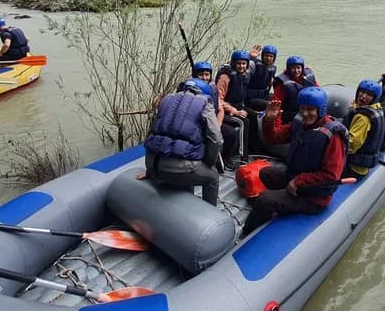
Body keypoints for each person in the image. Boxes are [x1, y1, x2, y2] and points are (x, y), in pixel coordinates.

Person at [240, 87, 347, 238]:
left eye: (310, 110)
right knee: (265, 173)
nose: (305, 113)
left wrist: (298, 182)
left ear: (321, 110)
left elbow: (331, 175)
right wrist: (269, 120)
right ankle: (280, 202)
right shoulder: (300, 123)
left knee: (265, 199)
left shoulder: (332, 136)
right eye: (302, 109)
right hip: (296, 177)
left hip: (313, 196)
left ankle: (246, 232)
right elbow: (274, 138)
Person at [143, 78, 223, 206]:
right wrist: (209, 162)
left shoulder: (167, 99)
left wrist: (149, 170)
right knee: (212, 177)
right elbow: (216, 139)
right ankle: (210, 214)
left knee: (187, 162)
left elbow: (153, 133)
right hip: (179, 168)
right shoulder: (205, 103)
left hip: (153, 165)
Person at [216, 50, 253, 164]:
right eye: (238, 64)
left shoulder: (244, 74)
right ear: (233, 64)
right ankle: (243, 157)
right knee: (243, 122)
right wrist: (234, 111)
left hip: (238, 106)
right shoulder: (225, 77)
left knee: (255, 116)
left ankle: (252, 149)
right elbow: (218, 100)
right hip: (224, 110)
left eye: (244, 64)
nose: (241, 66)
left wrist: (252, 57)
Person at [344, 79, 385, 177]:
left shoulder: (363, 119)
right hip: (360, 163)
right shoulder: (376, 108)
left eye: (369, 95)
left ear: (374, 98)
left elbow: (351, 145)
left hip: (353, 167)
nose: (363, 96)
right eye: (362, 92)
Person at [270, 55, 318, 124]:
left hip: (309, 114)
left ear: (302, 68)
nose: (296, 71)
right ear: (288, 69)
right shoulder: (283, 84)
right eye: (293, 68)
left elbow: (318, 92)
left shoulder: (309, 78)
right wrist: (277, 122)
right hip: (291, 117)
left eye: (298, 68)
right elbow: (276, 106)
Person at [246, 44, 278, 111]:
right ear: (262, 56)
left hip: (263, 95)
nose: (268, 58)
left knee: (278, 101)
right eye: (266, 55)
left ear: (274, 58)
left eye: (271, 56)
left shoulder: (273, 68)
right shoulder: (254, 64)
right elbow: (243, 67)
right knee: (270, 105)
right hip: (250, 97)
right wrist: (250, 57)